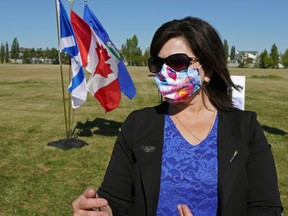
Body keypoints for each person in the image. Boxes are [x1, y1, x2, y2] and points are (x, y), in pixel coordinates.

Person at [72, 17, 283, 216]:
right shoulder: (138, 125)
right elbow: (115, 199)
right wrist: (100, 210)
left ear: (207, 69)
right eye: (158, 64)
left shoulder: (245, 128)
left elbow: (266, 207)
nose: (165, 72)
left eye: (178, 62)